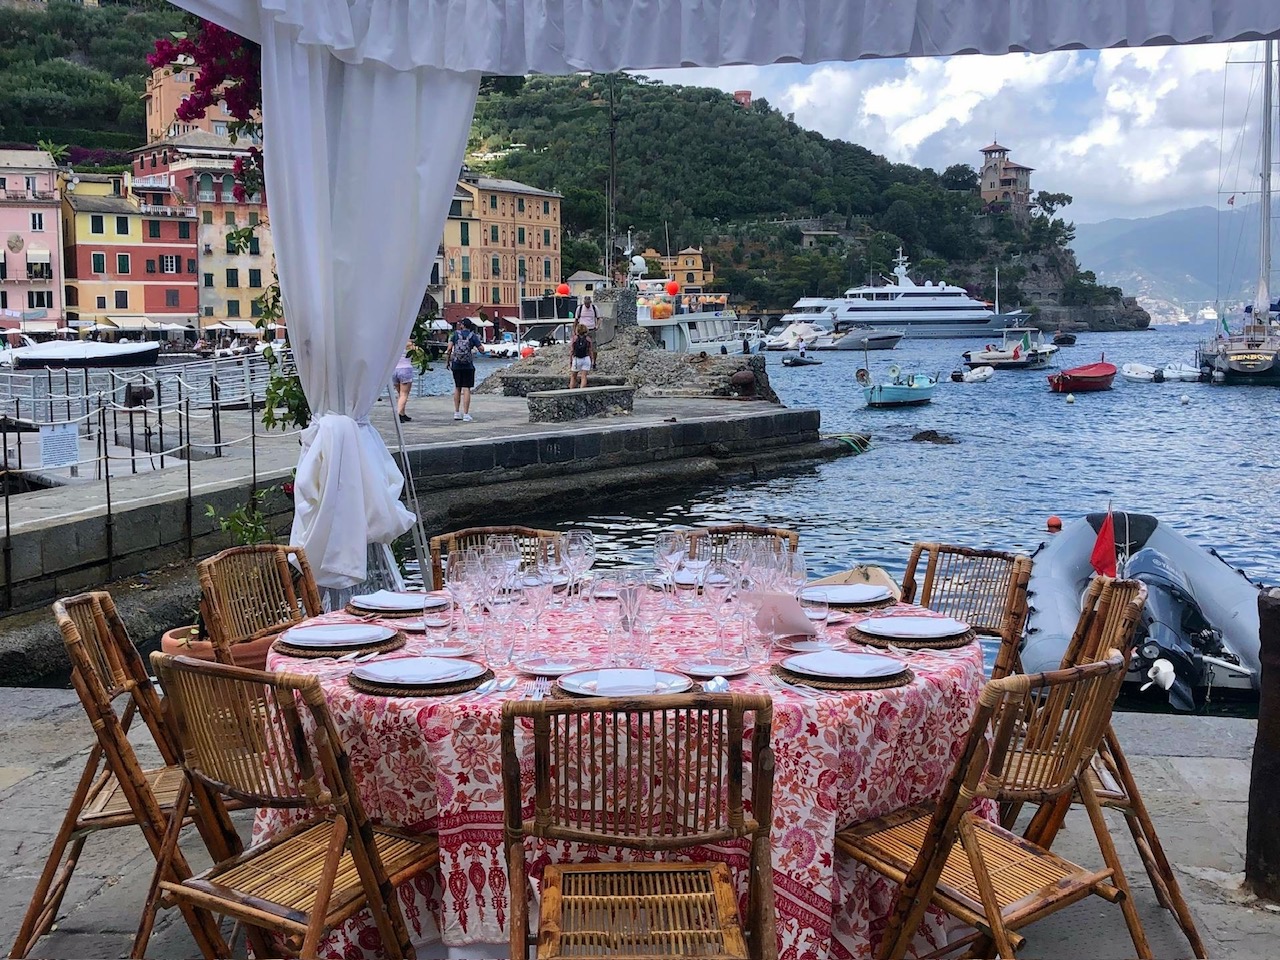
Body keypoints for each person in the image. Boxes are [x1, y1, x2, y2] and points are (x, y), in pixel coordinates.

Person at [446, 318, 485, 421]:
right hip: (468, 365)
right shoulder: (473, 336)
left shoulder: (455, 334)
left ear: (462, 325)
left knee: (457, 387)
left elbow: (449, 349)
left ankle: (456, 412)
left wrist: (447, 362)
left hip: (456, 364)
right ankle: (466, 414)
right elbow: (481, 349)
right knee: (466, 388)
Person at [393, 340, 415, 422]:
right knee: (404, 394)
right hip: (405, 369)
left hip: (394, 369)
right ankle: (398, 414)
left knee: (400, 394)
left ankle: (402, 414)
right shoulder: (409, 344)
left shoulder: (394, 343)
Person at [568, 322, 595, 389]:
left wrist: (571, 360)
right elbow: (590, 350)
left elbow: (572, 350)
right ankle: (582, 390)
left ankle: (571, 390)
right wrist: (592, 360)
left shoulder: (574, 339)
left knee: (573, 376)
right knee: (584, 376)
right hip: (586, 358)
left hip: (577, 359)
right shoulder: (588, 339)